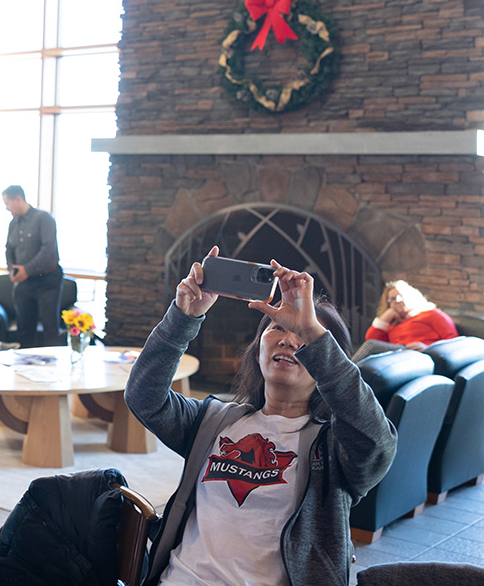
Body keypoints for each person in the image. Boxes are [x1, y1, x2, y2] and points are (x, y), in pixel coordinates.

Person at [125, 246, 396, 586]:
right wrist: (183, 318)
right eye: (277, 328)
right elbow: (144, 398)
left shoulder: (332, 449)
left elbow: (378, 445)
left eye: (301, 336)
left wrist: (314, 331)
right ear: (257, 351)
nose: (288, 340)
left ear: (328, 362)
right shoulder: (215, 421)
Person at [2, 185, 63, 347]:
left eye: (7, 203)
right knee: (24, 330)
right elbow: (9, 250)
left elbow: (48, 250)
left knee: (50, 329)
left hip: (47, 281)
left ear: (18, 199)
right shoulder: (13, 224)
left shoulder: (44, 218)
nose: (6, 208)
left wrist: (26, 270)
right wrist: (12, 271)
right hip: (23, 283)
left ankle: (51, 370)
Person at [351, 280, 459, 361]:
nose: (397, 301)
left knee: (371, 346)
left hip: (420, 354)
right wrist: (385, 317)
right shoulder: (393, 322)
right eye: (392, 299)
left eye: (400, 296)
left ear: (412, 296)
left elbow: (454, 343)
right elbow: (372, 339)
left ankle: (344, 375)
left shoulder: (432, 314)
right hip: (397, 356)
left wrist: (428, 348)